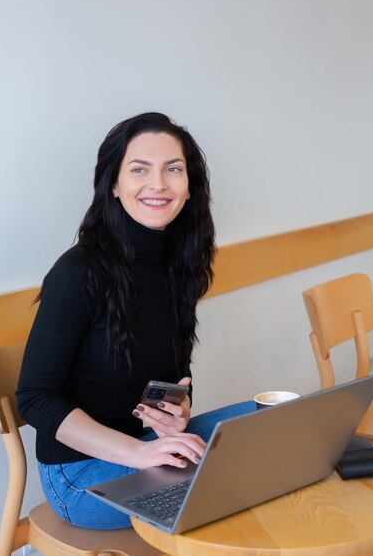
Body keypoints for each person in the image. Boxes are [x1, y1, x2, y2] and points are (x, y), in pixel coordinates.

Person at [16, 112, 255, 530]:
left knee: (269, 419)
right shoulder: (78, 271)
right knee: (234, 474)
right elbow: (36, 399)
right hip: (79, 477)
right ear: (113, 184)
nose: (158, 184)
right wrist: (139, 454)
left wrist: (176, 415)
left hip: (147, 447)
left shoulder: (179, 265)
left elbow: (174, 374)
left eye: (173, 170)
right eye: (139, 169)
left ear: (189, 186)